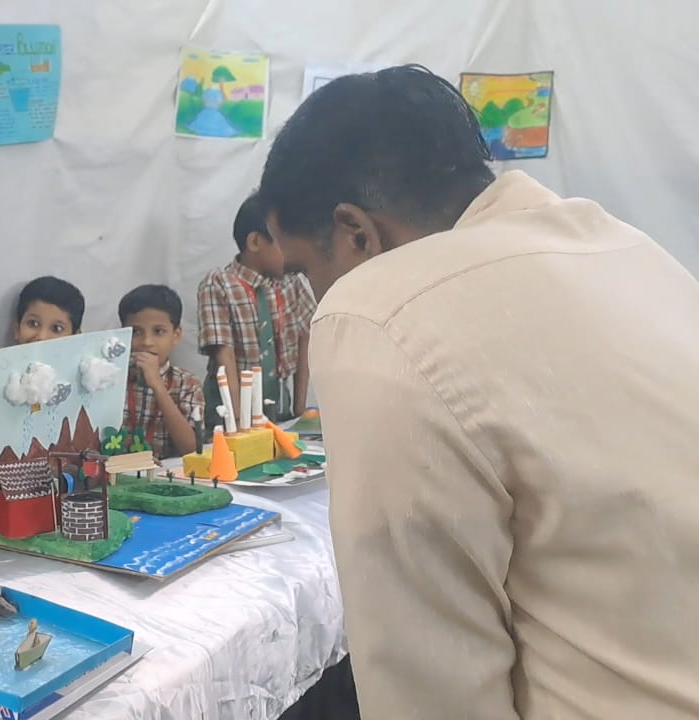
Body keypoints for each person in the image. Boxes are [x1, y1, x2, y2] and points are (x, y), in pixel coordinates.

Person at [259, 64, 699, 718]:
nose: (313, 296)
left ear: (355, 233)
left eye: (303, 271)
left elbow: (426, 685)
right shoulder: (629, 252)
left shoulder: (377, 311)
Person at [0, 276, 86, 533]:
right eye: (33, 324)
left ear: (75, 337)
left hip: (45, 493)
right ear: (16, 328)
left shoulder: (73, 384)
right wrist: (24, 391)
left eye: (57, 328)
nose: (41, 336)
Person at [197, 193, 315, 427]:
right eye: (284, 244)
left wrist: (299, 409)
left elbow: (305, 336)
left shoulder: (290, 281)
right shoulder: (218, 284)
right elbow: (224, 356)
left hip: (278, 405)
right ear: (254, 242)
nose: (292, 253)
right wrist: (237, 422)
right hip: (230, 410)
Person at [117, 284, 204, 458]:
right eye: (136, 332)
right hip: (119, 470)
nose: (147, 342)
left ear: (176, 335)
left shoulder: (188, 384)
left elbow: (192, 449)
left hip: (169, 472)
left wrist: (158, 386)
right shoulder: (111, 379)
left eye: (158, 331)